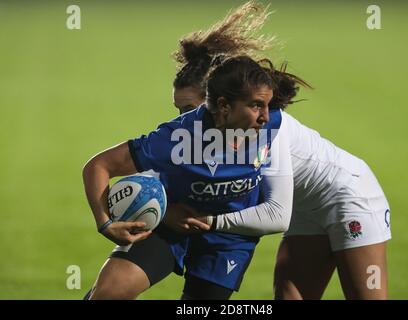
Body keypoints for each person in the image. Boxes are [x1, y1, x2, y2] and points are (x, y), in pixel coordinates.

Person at [166, 4, 392, 300]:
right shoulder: (209, 131)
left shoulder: (264, 127)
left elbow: (275, 215)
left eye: (189, 109)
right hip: (302, 207)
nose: (182, 119)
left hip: (349, 196)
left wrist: (209, 221)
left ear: (219, 101)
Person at [83, 54, 298, 300]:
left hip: (229, 240)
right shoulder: (178, 137)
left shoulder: (272, 124)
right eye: (256, 106)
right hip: (170, 226)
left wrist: (211, 221)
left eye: (267, 105)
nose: (266, 116)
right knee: (109, 293)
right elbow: (98, 166)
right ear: (225, 106)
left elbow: (280, 213)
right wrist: (105, 223)